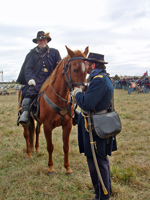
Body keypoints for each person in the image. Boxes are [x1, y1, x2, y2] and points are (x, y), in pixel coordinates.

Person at [71, 53, 117, 200]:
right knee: (97, 163)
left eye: (88, 63)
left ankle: (103, 196)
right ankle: (101, 193)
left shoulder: (99, 80)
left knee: (98, 163)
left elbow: (87, 104)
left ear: (94, 65)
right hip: (97, 125)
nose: (86, 66)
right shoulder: (101, 78)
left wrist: (77, 94)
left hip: (96, 128)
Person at [17, 31, 61, 127]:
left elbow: (59, 67)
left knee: (65, 91)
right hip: (37, 79)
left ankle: (72, 114)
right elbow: (28, 68)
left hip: (51, 80)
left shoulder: (55, 52)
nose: (41, 41)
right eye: (39, 40)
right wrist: (31, 79)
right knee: (29, 92)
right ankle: (25, 114)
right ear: (37, 42)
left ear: (47, 40)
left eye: (43, 39)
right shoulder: (32, 54)